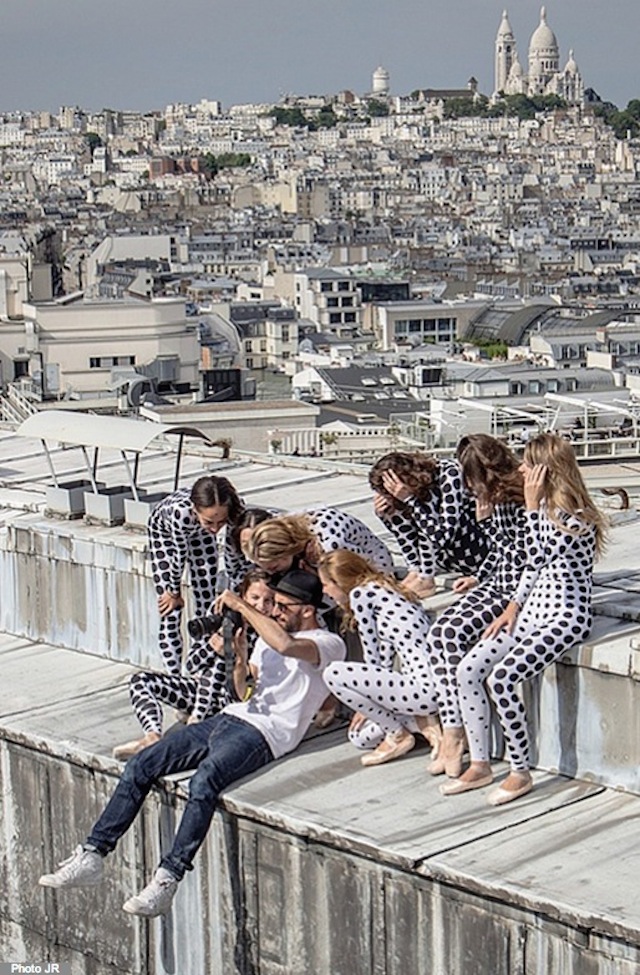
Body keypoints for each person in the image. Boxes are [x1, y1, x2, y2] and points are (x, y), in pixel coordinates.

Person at [39, 570, 346, 917]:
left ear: (307, 609)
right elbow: (242, 691)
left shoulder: (327, 643)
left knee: (204, 781)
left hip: (267, 734)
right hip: (229, 717)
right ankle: (93, 855)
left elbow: (286, 645)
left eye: (283, 606)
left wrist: (241, 604)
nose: (275, 611)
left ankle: (167, 877)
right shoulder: (267, 638)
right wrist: (239, 657)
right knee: (143, 764)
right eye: (273, 605)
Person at [445, 434, 607, 805]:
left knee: (502, 678)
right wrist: (513, 607)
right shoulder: (545, 510)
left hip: (565, 617)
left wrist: (532, 508)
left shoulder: (575, 517)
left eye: (528, 465)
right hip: (533, 613)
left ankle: (521, 770)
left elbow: (536, 556)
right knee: (469, 669)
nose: (520, 470)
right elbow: (527, 572)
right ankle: (481, 761)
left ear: (547, 470)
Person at [426, 435, 530, 779]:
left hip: (516, 592)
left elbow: (526, 555)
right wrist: (480, 575)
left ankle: (460, 736)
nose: (471, 490)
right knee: (438, 633)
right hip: (497, 581)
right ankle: (453, 727)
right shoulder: (497, 498)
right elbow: (500, 557)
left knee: (450, 633)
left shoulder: (517, 498)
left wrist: (487, 525)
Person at [112, 570, 274, 761]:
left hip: (235, 702)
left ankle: (195, 722)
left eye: (268, 601)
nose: (260, 606)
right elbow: (191, 664)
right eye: (254, 598)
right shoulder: (224, 616)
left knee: (223, 659)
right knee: (141, 681)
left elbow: (251, 682)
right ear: (243, 596)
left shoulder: (270, 632)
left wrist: (236, 654)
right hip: (205, 694)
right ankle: (152, 735)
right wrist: (214, 645)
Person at [318, 550, 441, 766]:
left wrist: (363, 703)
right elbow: (385, 655)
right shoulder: (387, 589)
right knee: (359, 737)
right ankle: (417, 724)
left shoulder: (361, 595)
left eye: (327, 584)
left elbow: (372, 657)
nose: (325, 591)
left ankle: (398, 735)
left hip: (424, 690)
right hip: (429, 688)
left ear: (340, 581)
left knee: (333, 673)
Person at [147, 475, 246, 676]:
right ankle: (174, 675)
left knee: (206, 603)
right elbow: (178, 554)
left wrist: (237, 588)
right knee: (170, 610)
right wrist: (173, 592)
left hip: (199, 535)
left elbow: (231, 552)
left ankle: (198, 669)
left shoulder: (235, 508)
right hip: (166, 536)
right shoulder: (181, 513)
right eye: (210, 521)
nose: (216, 528)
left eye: (221, 522)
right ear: (195, 509)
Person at [369, 451, 489, 598]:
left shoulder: (449, 473)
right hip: (442, 559)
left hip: (474, 552)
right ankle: (416, 570)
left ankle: (426, 578)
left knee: (424, 508)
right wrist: (385, 515)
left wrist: (410, 500)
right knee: (393, 509)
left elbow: (443, 537)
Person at [245, 508, 394, 576]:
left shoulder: (329, 544)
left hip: (374, 564)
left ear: (287, 552)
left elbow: (361, 564)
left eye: (274, 567)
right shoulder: (289, 524)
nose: (270, 573)